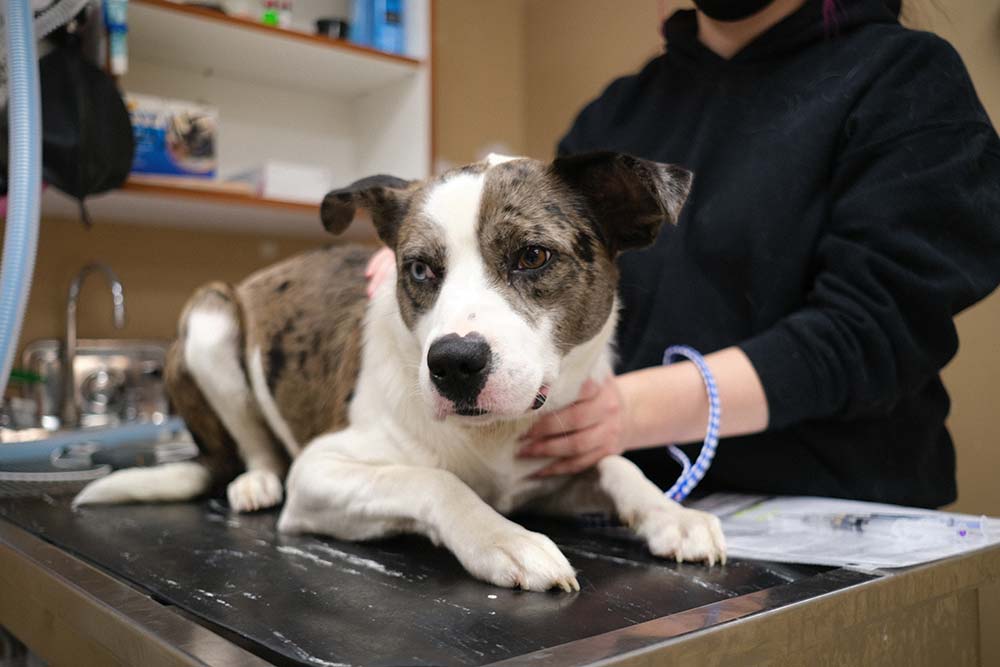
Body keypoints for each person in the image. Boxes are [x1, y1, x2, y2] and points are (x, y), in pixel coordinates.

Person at [368, 0, 1000, 508]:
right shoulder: (619, 109)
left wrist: (629, 412)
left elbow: (874, 328)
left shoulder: (905, 80)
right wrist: (436, 267)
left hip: (837, 514)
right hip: (617, 508)